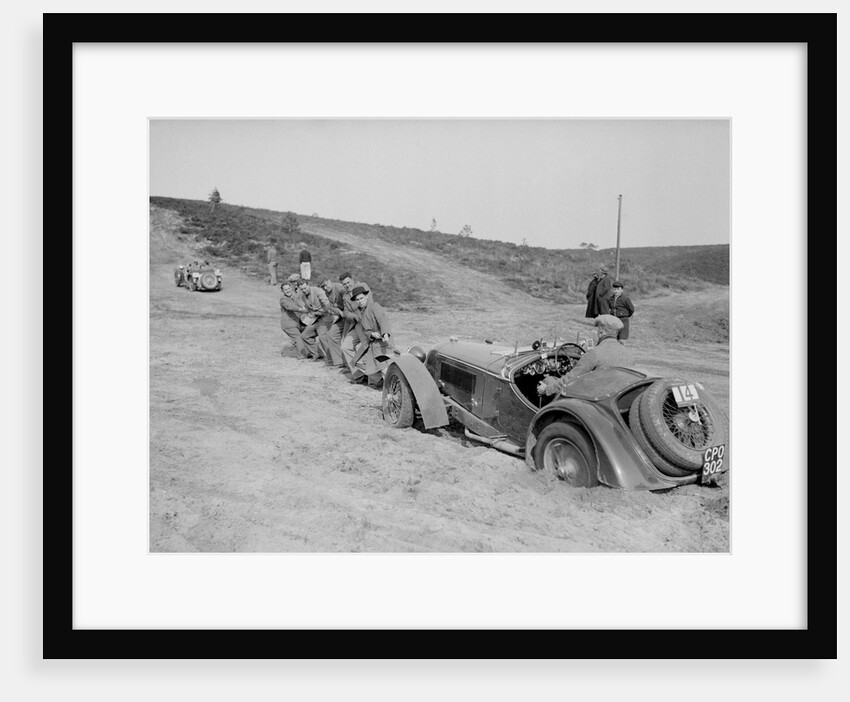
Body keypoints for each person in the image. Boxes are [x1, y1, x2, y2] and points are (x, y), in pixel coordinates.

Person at [536, 315, 634, 397]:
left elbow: (571, 379)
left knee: (549, 380)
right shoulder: (628, 353)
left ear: (601, 331)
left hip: (592, 398)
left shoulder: (594, 353)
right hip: (615, 396)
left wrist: (547, 389)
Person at [348, 285, 392, 387]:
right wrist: (371, 334)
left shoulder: (374, 306)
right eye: (357, 300)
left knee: (384, 366)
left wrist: (385, 333)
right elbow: (365, 330)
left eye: (361, 298)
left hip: (383, 343)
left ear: (366, 297)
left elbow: (382, 319)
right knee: (359, 361)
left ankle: (390, 387)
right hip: (373, 343)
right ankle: (380, 382)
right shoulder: (361, 312)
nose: (360, 301)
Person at [338, 272, 371, 373]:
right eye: (344, 284)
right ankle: (358, 373)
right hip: (357, 325)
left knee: (368, 347)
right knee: (345, 347)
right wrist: (354, 317)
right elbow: (346, 312)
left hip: (369, 323)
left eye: (348, 282)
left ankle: (371, 374)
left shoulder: (363, 287)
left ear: (352, 280)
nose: (347, 285)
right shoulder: (346, 297)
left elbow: (369, 304)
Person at [294, 276, 332, 360]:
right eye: (302, 289)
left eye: (305, 288)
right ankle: (317, 354)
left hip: (325, 318)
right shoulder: (303, 296)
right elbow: (309, 308)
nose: (304, 290)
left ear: (308, 284)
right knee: (304, 335)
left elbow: (327, 304)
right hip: (314, 319)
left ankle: (332, 359)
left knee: (323, 338)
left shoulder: (317, 291)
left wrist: (321, 311)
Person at [316, 278, 348, 367]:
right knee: (331, 335)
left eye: (326, 285)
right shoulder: (326, 294)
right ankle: (339, 362)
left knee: (349, 339)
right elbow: (330, 307)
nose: (325, 288)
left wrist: (344, 311)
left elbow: (349, 298)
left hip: (350, 315)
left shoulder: (339, 288)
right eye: (323, 287)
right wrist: (338, 311)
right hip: (341, 317)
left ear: (329, 281)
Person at [278, 282, 310, 358]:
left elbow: (302, 303)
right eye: (285, 290)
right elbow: (291, 307)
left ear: (292, 288)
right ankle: (300, 356)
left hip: (298, 323)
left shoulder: (295, 297)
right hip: (289, 325)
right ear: (282, 291)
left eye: (289, 288)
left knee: (309, 334)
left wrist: (307, 307)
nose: (288, 290)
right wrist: (301, 309)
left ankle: (308, 352)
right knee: (299, 340)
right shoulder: (283, 299)